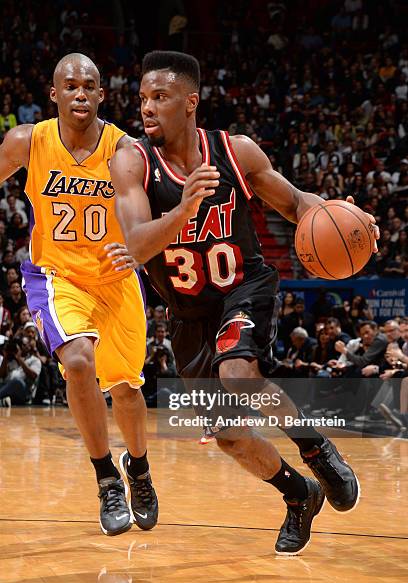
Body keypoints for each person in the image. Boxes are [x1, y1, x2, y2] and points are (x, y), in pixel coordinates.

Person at [108, 51, 379, 555]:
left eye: (159, 97)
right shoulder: (132, 160)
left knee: (239, 373)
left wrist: (349, 218)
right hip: (187, 313)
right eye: (142, 98)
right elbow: (138, 245)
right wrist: (184, 207)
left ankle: (315, 447)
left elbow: (297, 203)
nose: (146, 108)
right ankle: (300, 495)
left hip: (242, 288)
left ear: (190, 102)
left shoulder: (235, 152)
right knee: (231, 438)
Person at [0, 53, 158, 537]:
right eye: (70, 86)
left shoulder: (124, 150)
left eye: (90, 86)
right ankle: (107, 478)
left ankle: (140, 470)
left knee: (128, 392)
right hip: (57, 276)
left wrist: (136, 244)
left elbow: (142, 221)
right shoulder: (27, 141)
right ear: (54, 94)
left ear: (102, 95)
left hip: (115, 280)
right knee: (79, 361)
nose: (80, 93)